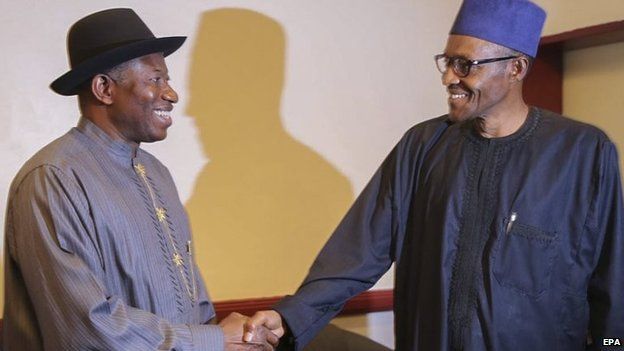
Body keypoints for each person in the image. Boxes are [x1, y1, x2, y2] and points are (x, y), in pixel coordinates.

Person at [246, 0, 624, 350]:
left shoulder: (582, 152)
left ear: (516, 68)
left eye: (465, 65)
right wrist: (289, 317)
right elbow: (359, 250)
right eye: (446, 62)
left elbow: (611, 281)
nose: (448, 78)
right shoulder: (422, 146)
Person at [3, 8, 281, 351]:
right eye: (155, 79)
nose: (172, 94)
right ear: (104, 88)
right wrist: (211, 340)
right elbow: (85, 327)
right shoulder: (53, 180)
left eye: (167, 79)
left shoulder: (157, 174)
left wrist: (240, 333)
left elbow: (195, 307)